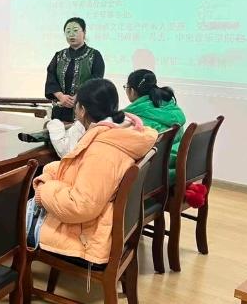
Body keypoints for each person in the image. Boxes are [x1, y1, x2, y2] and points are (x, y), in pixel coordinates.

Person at [30, 78, 157, 269]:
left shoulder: (101, 149)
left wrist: (43, 191)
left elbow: (80, 207)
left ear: (82, 110)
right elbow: (79, 168)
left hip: (89, 239)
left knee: (13, 217)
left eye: (76, 105)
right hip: (101, 224)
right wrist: (48, 173)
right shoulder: (123, 131)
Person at [123, 69, 186, 183]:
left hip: (155, 175)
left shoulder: (136, 119)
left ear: (131, 90)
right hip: (176, 166)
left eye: (126, 87)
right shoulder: (170, 107)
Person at [45, 18, 105, 122]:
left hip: (85, 111)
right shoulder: (59, 55)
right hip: (61, 109)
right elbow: (51, 78)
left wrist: (78, 96)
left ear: (84, 32)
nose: (71, 35)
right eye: (68, 31)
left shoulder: (94, 55)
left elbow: (96, 80)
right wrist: (61, 97)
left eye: (75, 30)